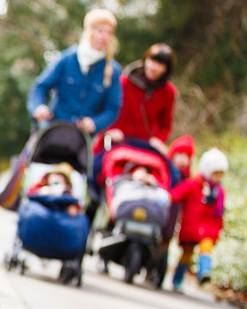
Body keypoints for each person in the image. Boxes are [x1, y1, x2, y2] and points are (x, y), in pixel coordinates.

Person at [27, 8, 122, 136]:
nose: (104, 36)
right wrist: (38, 107)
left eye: (109, 32)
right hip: (53, 130)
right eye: (100, 31)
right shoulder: (67, 59)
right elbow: (40, 86)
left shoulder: (113, 71)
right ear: (90, 31)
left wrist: (95, 123)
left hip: (81, 139)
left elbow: (112, 109)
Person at [97, 43, 177, 155]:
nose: (154, 67)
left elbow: (165, 125)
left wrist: (158, 140)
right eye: (152, 61)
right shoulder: (123, 83)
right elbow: (102, 110)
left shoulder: (168, 92)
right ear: (145, 60)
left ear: (166, 69)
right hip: (114, 142)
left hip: (142, 147)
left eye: (160, 64)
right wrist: (108, 131)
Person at [169, 148, 228, 291]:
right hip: (191, 226)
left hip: (208, 229)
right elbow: (177, 194)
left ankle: (204, 273)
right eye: (215, 174)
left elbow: (219, 213)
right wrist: (167, 197)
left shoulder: (219, 192)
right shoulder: (193, 184)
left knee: (206, 247)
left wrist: (219, 228)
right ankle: (177, 280)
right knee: (186, 255)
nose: (218, 178)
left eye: (221, 175)